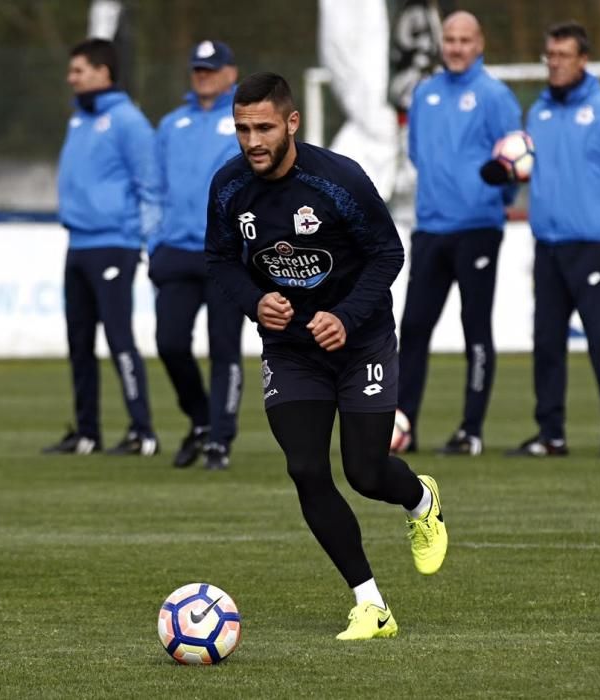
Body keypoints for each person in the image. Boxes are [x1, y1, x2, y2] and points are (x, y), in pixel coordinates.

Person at [206, 72, 447, 640]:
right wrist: (254, 301)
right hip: (291, 353)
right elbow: (219, 261)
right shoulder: (227, 187)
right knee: (306, 468)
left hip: (360, 342)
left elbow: (388, 254)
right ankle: (371, 605)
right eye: (242, 128)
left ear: (292, 122)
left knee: (364, 472)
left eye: (264, 127)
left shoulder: (339, 180)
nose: (252, 141)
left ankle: (420, 497)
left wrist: (346, 316)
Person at [504, 21, 600, 458]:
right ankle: (551, 433)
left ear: (584, 60)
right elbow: (528, 170)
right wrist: (502, 175)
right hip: (548, 245)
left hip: (593, 245)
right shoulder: (538, 113)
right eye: (550, 55)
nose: (555, 63)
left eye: (564, 55)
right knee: (546, 342)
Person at [395, 10, 522, 457]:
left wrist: (493, 193)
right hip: (430, 228)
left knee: (475, 327)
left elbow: (518, 161)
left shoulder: (495, 96)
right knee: (412, 328)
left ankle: (471, 430)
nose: (456, 47)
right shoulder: (424, 94)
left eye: (465, 39)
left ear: (480, 42)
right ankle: (402, 426)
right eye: (449, 38)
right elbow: (416, 155)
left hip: (477, 230)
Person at [43, 38, 160, 457]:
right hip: (78, 242)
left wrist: (142, 239)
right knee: (78, 342)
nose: (70, 78)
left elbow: (150, 186)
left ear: (103, 72)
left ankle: (142, 431)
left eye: (78, 70)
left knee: (118, 338)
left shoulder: (129, 122)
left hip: (115, 245)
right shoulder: (79, 120)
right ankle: (87, 434)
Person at [150, 40, 245, 471]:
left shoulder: (245, 121)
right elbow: (153, 189)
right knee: (169, 343)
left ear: (230, 73)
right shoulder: (172, 125)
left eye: (211, 69)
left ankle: (221, 439)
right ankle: (201, 419)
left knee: (224, 347)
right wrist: (154, 240)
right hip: (177, 248)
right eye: (197, 70)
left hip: (224, 253)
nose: (203, 76)